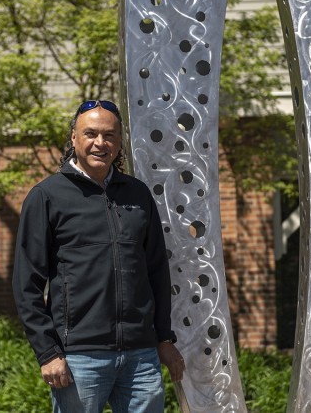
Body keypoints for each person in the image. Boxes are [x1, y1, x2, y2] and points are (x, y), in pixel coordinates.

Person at [12, 100, 185, 413]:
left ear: (119, 142)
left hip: (140, 357)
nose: (100, 143)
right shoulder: (47, 196)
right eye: (90, 134)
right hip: (79, 357)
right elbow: (27, 285)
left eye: (109, 135)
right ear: (74, 138)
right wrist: (47, 352)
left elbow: (157, 271)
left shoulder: (138, 194)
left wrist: (164, 338)